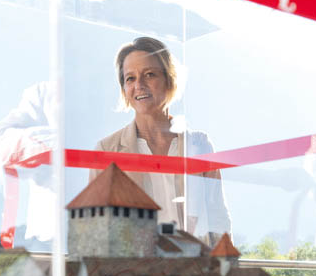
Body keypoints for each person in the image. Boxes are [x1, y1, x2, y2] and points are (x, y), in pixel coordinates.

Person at [95, 36, 231, 244]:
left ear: (169, 80)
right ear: (124, 89)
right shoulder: (107, 150)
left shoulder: (199, 145)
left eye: (149, 74)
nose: (139, 85)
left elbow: (218, 218)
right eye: (130, 78)